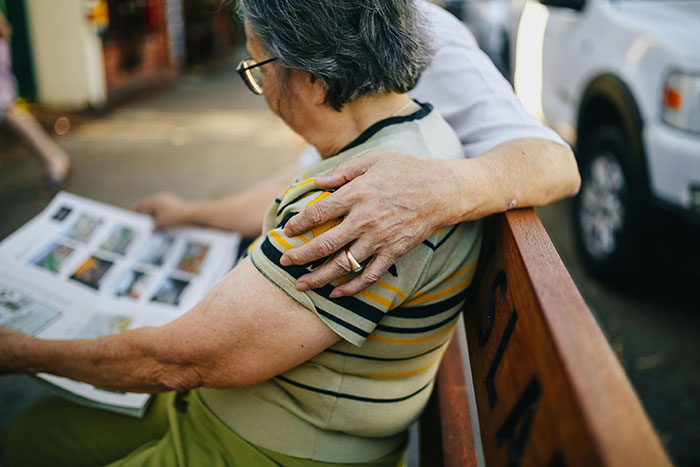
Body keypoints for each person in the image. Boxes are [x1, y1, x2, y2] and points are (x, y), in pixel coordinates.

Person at [2, 1, 484, 465]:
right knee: (34, 435)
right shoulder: (408, 133)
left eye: (258, 66)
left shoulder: (360, 203)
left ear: (313, 76)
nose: (261, 87)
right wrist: (191, 211)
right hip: (259, 416)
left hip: (271, 444)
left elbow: (183, 362)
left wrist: (23, 353)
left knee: (31, 440)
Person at [132, 0, 580, 299]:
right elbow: (299, 181)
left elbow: (556, 163)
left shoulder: (418, 29)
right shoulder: (324, 22)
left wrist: (431, 190)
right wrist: (186, 212)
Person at [0, 10, 70, 190]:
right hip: (6, 100)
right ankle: (55, 159)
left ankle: (55, 159)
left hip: (4, 101)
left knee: (15, 116)